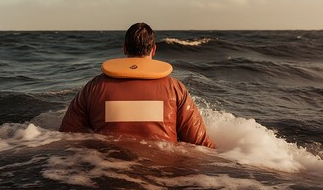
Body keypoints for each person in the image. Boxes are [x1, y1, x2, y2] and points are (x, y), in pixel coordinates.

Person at [59, 23, 215, 148]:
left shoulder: (94, 87)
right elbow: (200, 144)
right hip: (163, 175)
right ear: (153, 50)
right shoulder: (176, 89)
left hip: (106, 169)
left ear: (125, 48)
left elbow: (67, 135)